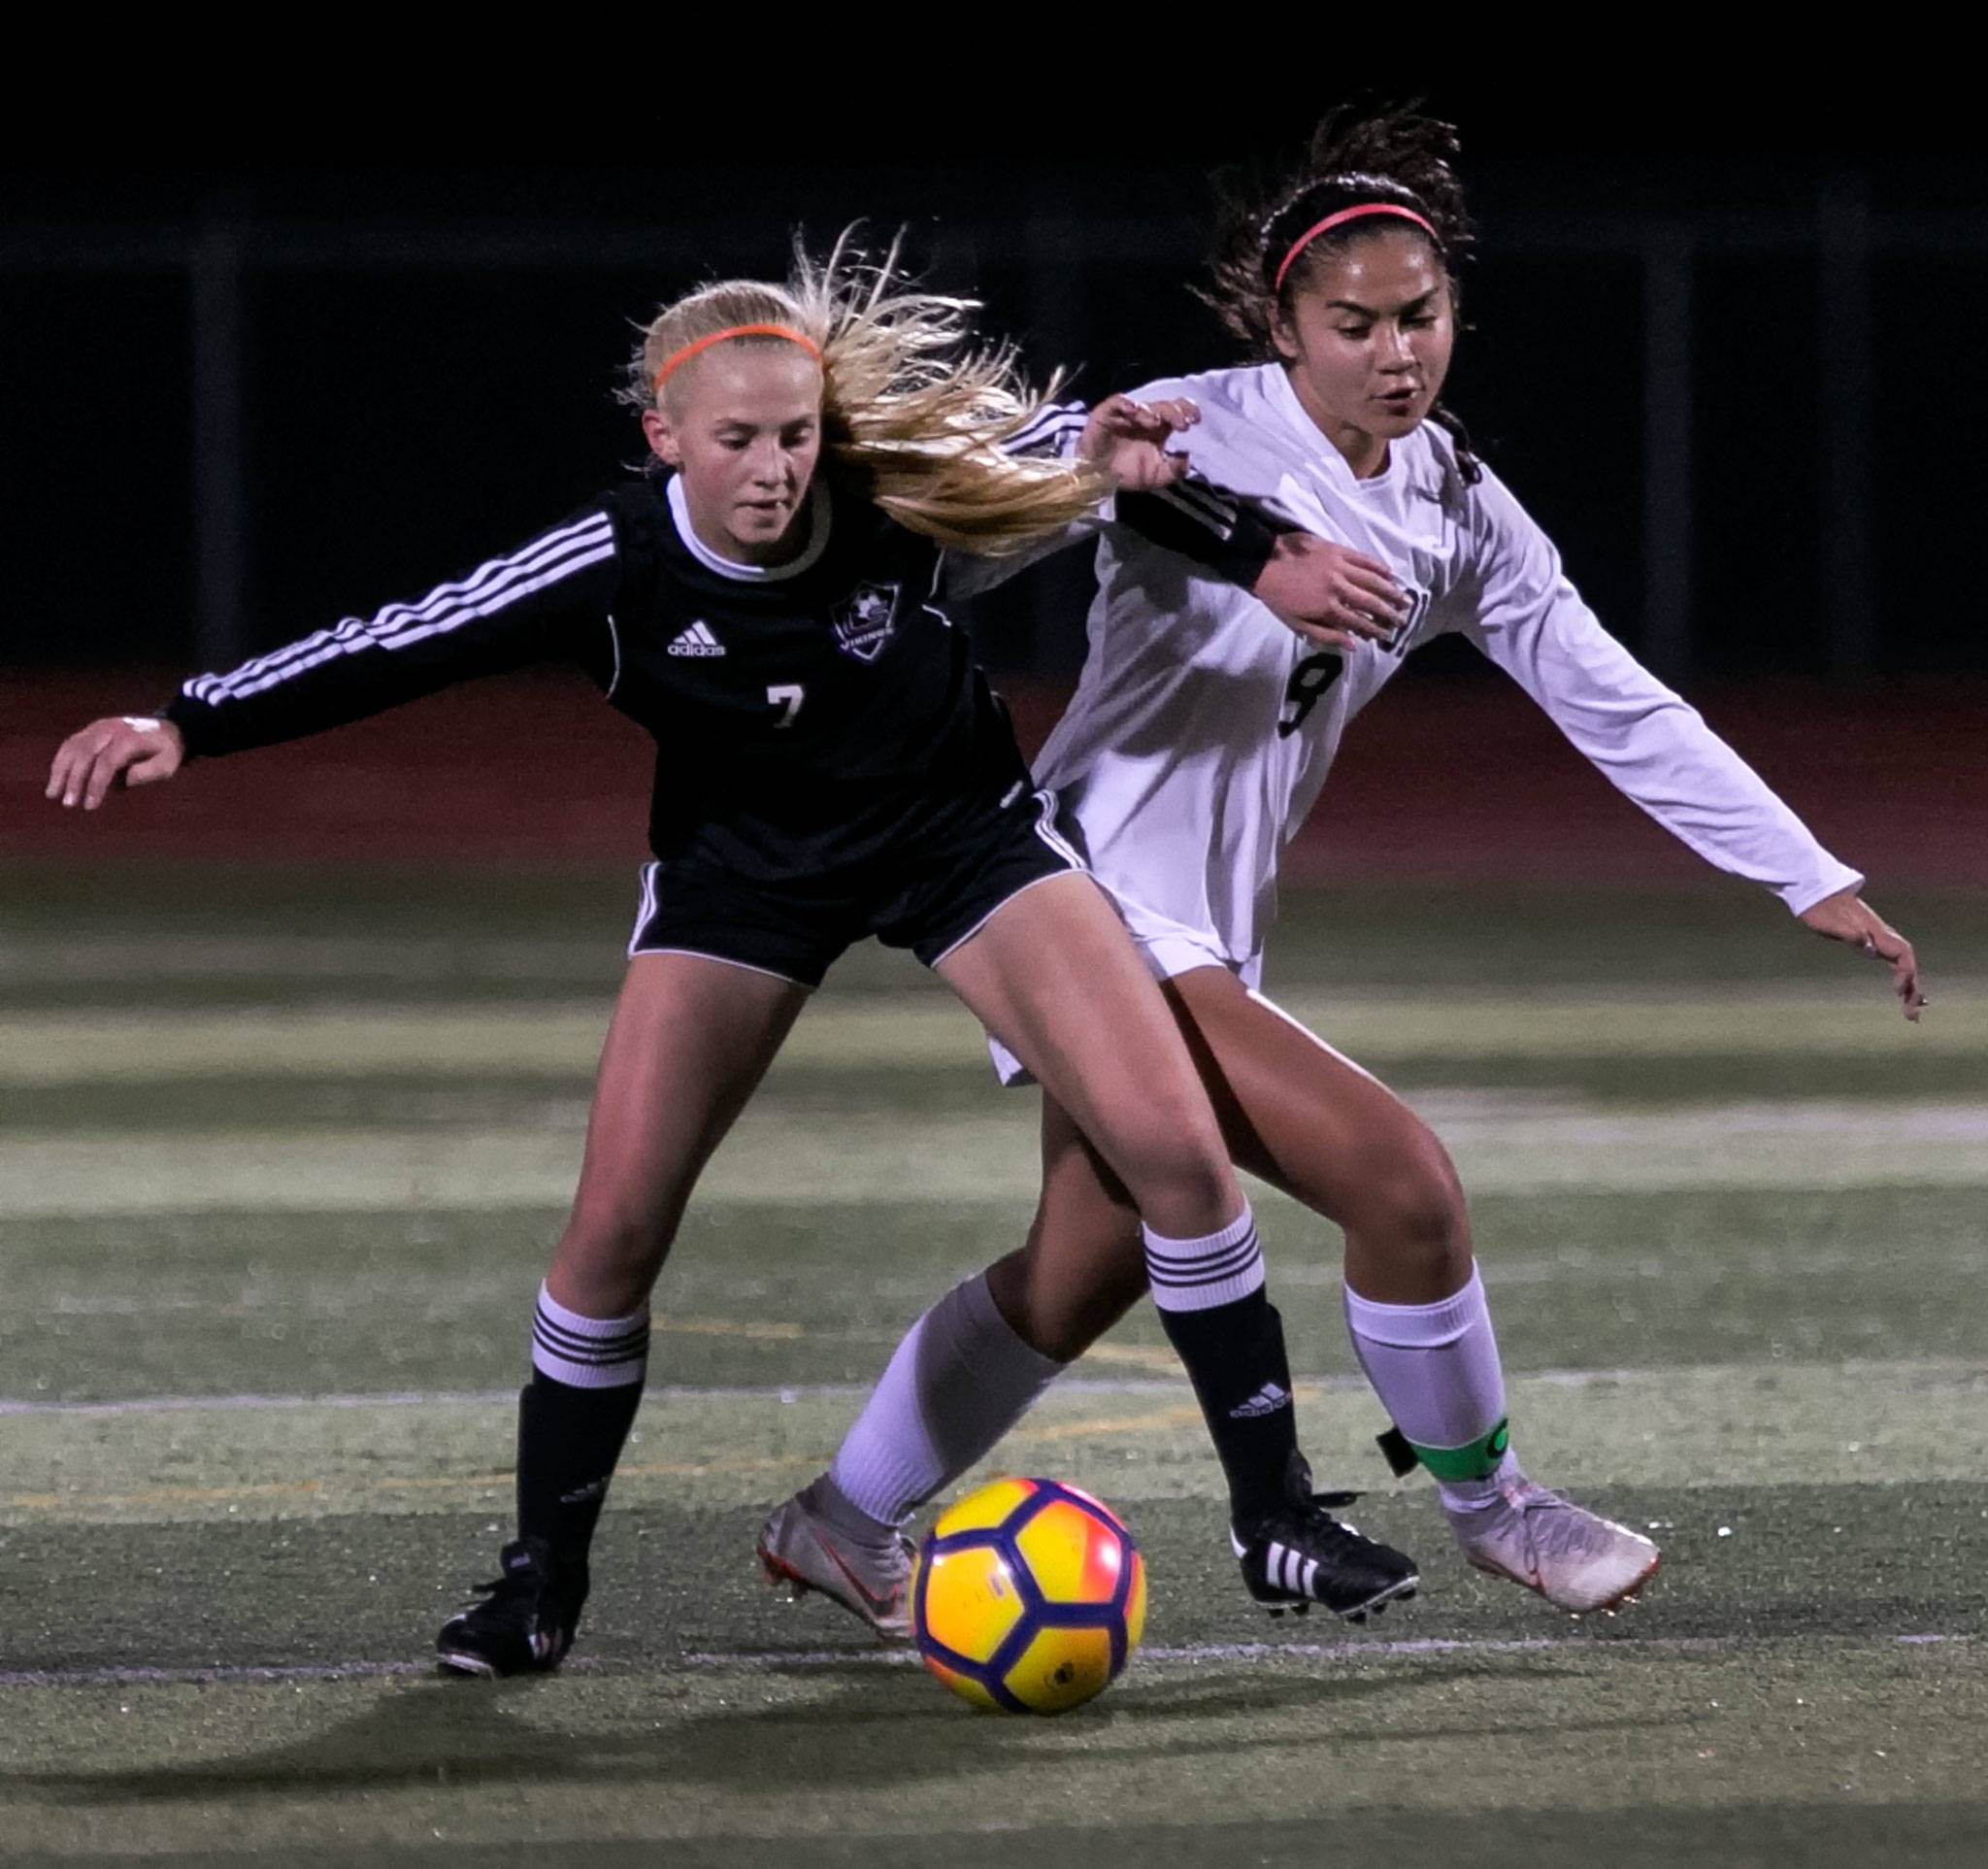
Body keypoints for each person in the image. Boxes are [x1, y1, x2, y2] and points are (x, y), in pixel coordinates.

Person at [47, 239, 1422, 1677]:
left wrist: (1217, 521)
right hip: (740, 881)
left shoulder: (884, 485)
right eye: (739, 441)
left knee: (1174, 1153)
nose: (775, 468)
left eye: (797, 434)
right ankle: (540, 1577)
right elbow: (405, 639)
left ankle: (1277, 1514)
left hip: (958, 839)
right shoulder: (615, 558)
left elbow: (1080, 455)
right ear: (664, 438)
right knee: (617, 1229)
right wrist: (188, 720)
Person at [760, 110, 1926, 1637]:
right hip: (1072, 896)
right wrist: (1154, 502)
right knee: (1402, 1183)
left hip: (1200, 930)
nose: (1394, 352)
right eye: (1354, 324)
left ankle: (834, 1519)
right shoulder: (1194, 426)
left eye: (1419, 317)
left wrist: (1803, 871)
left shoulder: (1453, 504)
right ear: (1284, 324)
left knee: (1077, 1270)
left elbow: (1611, 693)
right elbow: (971, 526)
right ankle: (1493, 1504)